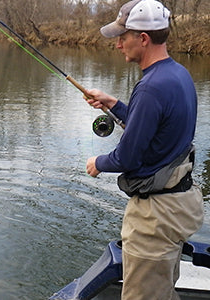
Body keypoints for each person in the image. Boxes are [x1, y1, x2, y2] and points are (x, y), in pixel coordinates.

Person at [84, 0, 204, 299]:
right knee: (161, 289)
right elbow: (155, 134)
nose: (118, 45)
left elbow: (128, 157)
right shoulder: (178, 75)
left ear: (143, 39)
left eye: (122, 38)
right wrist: (114, 104)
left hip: (156, 216)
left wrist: (97, 162)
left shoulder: (151, 87)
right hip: (179, 204)